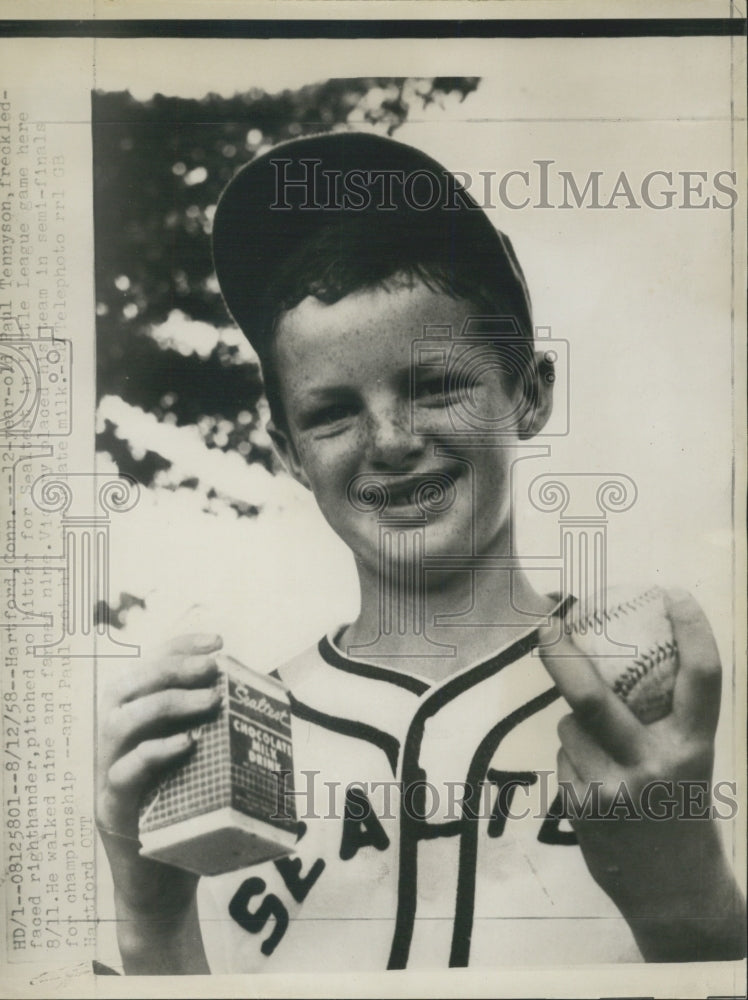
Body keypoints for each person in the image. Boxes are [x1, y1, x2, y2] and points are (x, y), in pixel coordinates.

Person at [96, 131, 746, 974]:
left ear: (531, 392)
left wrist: (691, 913)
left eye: (437, 386)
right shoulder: (223, 751)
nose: (392, 441)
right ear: (290, 451)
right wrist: (150, 922)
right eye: (332, 413)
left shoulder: (691, 700)